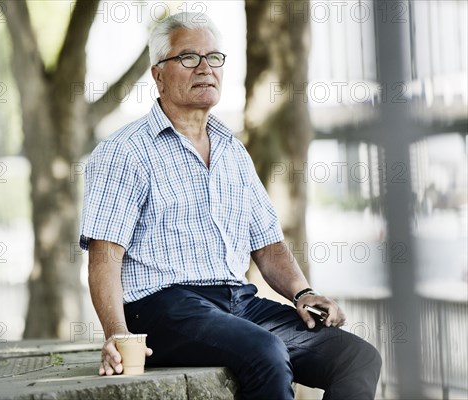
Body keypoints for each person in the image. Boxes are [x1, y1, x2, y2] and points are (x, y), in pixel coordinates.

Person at [80, 12, 381, 400]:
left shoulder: (232, 151)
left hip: (239, 303)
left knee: (357, 357)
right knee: (266, 352)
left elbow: (268, 244)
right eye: (188, 57)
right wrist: (116, 334)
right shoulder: (124, 151)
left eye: (214, 58)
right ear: (158, 75)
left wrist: (303, 293)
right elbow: (104, 256)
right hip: (163, 308)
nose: (205, 68)